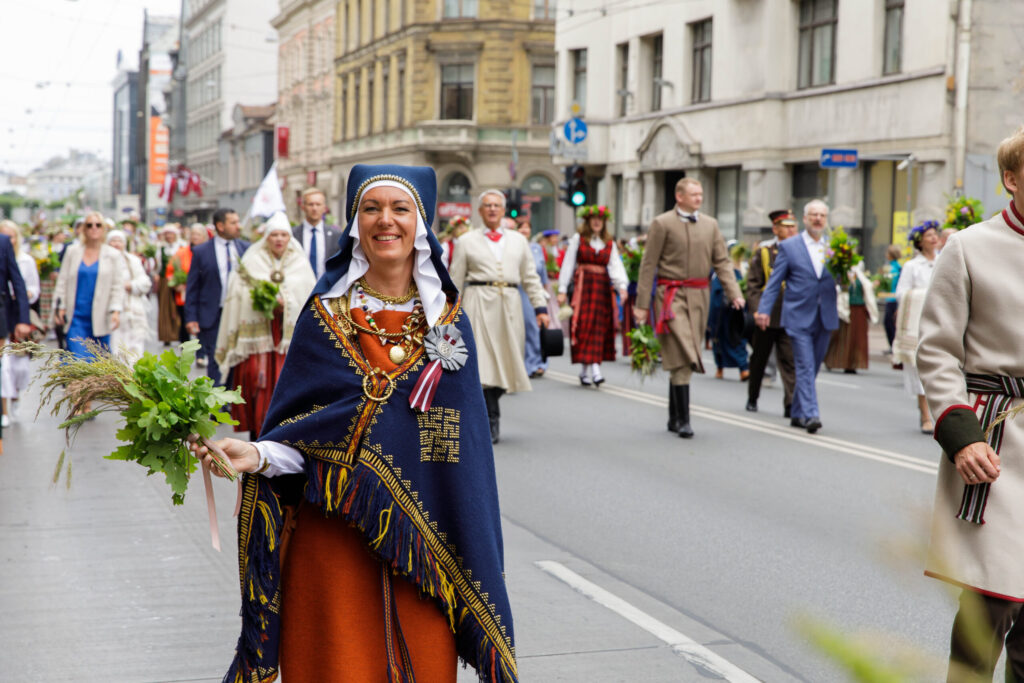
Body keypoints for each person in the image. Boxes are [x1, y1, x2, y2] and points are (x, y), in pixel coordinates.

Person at [189, 164, 518, 683]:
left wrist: (424, 504)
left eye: (400, 208)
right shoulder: (322, 317)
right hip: (333, 548)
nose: (386, 221)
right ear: (354, 221)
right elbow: (303, 431)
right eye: (371, 208)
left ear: (422, 221)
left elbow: (455, 457)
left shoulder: (449, 325)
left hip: (421, 554)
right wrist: (258, 454)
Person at [917, 126, 1024, 682]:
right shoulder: (968, 247)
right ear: (1011, 179)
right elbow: (935, 351)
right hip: (994, 441)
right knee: (989, 606)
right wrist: (962, 436)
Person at [634, 178, 743, 438]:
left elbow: (723, 263)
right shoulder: (662, 223)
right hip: (670, 297)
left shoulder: (710, 225)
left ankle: (673, 416)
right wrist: (641, 305)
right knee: (684, 352)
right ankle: (684, 420)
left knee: (685, 352)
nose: (699, 198)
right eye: (694, 194)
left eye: (701, 194)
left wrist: (734, 293)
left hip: (699, 296)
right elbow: (648, 265)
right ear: (679, 196)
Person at [449, 189, 549, 443]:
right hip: (477, 303)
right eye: (487, 205)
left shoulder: (518, 240)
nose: (492, 209)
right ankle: (490, 417)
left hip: (510, 305)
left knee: (507, 362)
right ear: (480, 211)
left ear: (503, 211)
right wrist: (447, 314)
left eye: (497, 205)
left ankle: (490, 406)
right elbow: (455, 279)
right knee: (482, 364)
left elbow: (530, 277)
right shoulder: (466, 241)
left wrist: (541, 308)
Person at [214, 212, 316, 438]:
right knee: (256, 382)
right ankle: (257, 434)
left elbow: (307, 294)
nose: (279, 239)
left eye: (283, 235)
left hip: (287, 341)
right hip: (257, 339)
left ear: (289, 238)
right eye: (274, 235)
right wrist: (263, 301)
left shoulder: (300, 262)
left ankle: (284, 434)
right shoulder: (252, 260)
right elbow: (239, 293)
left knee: (285, 382)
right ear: (266, 237)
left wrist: (286, 303)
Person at [755, 199, 838, 434]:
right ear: (805, 218)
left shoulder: (836, 248)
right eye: (814, 214)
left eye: (822, 215)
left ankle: (797, 412)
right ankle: (811, 414)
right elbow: (773, 282)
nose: (818, 218)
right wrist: (764, 310)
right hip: (798, 315)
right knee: (804, 364)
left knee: (813, 368)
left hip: (826, 315)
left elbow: (839, 279)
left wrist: (848, 274)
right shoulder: (790, 247)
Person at [558, 205, 627, 385]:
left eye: (600, 219)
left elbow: (615, 266)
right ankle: (587, 369)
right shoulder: (578, 239)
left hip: (602, 289)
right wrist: (562, 289)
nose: (597, 222)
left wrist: (622, 286)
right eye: (593, 219)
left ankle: (593, 368)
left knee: (600, 327)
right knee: (583, 327)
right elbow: (568, 264)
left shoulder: (609, 243)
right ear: (588, 222)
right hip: (584, 289)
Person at [184, 208, 249, 385]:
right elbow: (193, 287)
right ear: (220, 226)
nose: (238, 226)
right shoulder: (202, 251)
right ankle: (217, 404)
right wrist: (191, 317)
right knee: (216, 357)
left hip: (239, 314)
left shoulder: (246, 249)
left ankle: (232, 400)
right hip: (213, 314)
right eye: (233, 222)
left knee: (237, 356)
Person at [745, 210, 798, 415]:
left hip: (790, 314)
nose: (791, 229)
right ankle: (752, 397)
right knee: (759, 359)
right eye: (786, 226)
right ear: (776, 229)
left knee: (789, 361)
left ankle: (790, 403)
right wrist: (758, 311)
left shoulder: (801, 250)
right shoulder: (765, 251)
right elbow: (753, 285)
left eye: (793, 225)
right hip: (767, 315)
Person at [53, 212, 126, 361]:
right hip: (76, 317)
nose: (94, 228)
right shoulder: (72, 252)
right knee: (78, 359)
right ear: (84, 229)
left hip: (100, 316)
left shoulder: (113, 255)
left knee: (98, 364)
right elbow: (63, 280)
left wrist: (116, 310)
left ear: (104, 229)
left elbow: (117, 286)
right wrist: (59, 307)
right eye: (89, 225)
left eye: (98, 225)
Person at [892, 221, 940, 434]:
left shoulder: (944, 260)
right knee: (920, 366)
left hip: (940, 320)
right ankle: (925, 414)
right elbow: (901, 293)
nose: (933, 238)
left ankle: (940, 414)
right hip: (917, 322)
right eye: (928, 235)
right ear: (920, 242)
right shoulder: (912, 266)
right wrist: (925, 295)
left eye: (934, 234)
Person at [0, 220, 39, 427]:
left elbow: (20, 284)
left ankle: (12, 399)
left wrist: (24, 319)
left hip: (10, 312)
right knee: (6, 365)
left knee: (15, 365)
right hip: (6, 311)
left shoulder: (16, 253)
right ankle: (4, 407)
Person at [824, 260, 878, 373]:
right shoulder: (843, 274)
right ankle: (832, 360)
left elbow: (867, 290)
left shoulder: (861, 278)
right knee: (841, 336)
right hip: (846, 309)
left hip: (859, 310)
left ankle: (852, 364)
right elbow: (838, 288)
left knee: (857, 339)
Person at [105, 229, 152, 360]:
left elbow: (145, 282)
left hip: (134, 311)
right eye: (113, 241)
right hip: (113, 311)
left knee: (135, 348)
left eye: (119, 241)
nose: (116, 244)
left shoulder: (133, 260)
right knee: (116, 348)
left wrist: (129, 285)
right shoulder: (103, 261)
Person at [708, 241, 750, 381]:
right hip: (721, 313)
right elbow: (715, 291)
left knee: (738, 340)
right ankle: (720, 367)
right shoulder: (718, 270)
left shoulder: (744, 269)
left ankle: (743, 368)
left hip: (736, 312)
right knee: (719, 340)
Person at [516, 220, 550, 378]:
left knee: (535, 327)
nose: (524, 230)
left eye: (527, 228)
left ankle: (538, 362)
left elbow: (542, 272)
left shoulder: (537, 249)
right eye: (521, 228)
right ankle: (522, 365)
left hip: (534, 292)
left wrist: (545, 291)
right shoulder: (512, 247)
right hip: (518, 291)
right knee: (520, 328)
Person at [292, 187, 343, 281]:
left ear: (324, 207)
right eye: (310, 204)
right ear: (303, 207)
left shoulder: (336, 235)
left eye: (318, 204)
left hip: (326, 289)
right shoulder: (292, 235)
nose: (314, 208)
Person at [155, 224, 184, 345]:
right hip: (165, 280)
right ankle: (166, 335)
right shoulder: (161, 248)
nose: (169, 236)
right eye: (167, 234)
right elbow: (158, 266)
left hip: (179, 279)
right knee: (165, 308)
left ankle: (180, 334)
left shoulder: (182, 247)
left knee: (179, 307)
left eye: (171, 234)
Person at [881, 243, 903, 354]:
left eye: (887, 253)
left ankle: (894, 346)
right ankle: (892, 345)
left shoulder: (896, 267)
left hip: (894, 299)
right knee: (888, 322)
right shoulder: (890, 266)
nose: (886, 255)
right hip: (889, 298)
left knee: (890, 323)